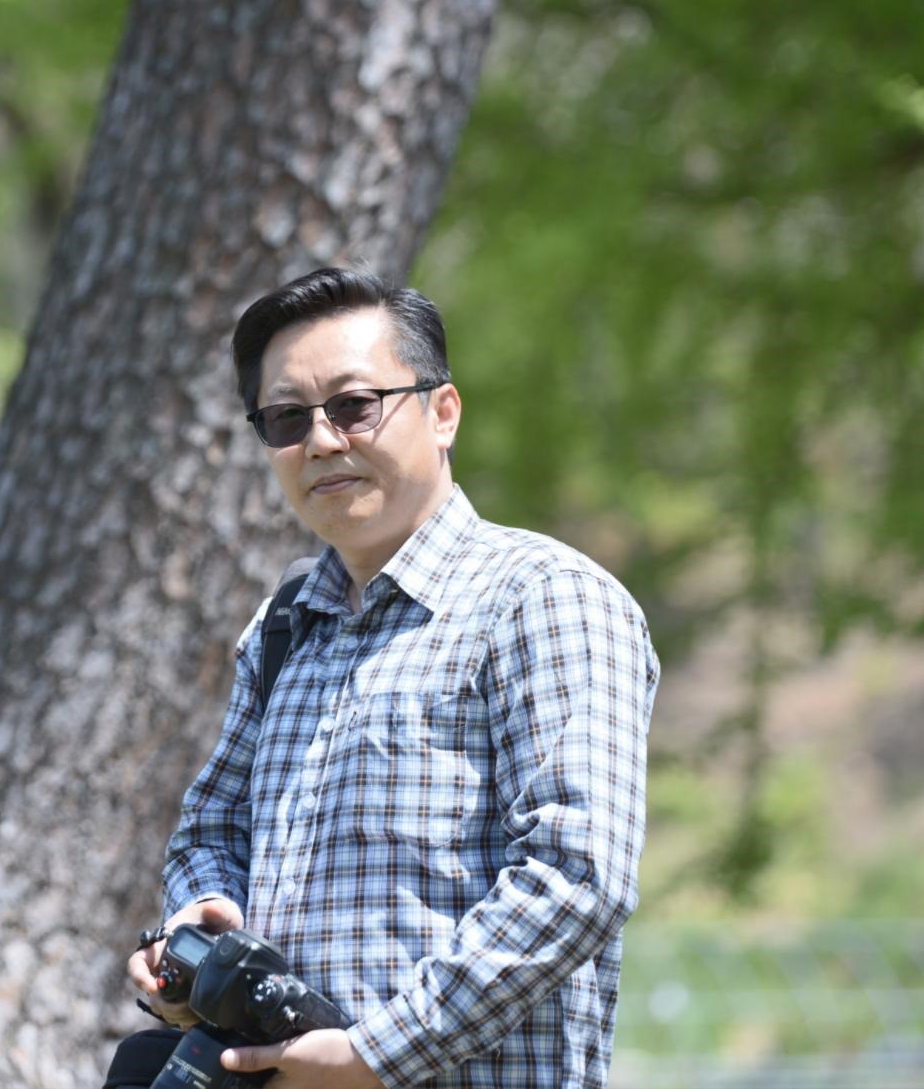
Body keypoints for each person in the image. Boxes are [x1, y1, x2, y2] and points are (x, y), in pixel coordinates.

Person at [117, 268, 659, 1089]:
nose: (323, 440)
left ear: (443, 412)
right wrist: (200, 924)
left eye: (354, 405)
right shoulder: (285, 623)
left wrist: (378, 1055)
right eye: (287, 419)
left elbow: (576, 875)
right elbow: (209, 831)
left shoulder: (544, 599)